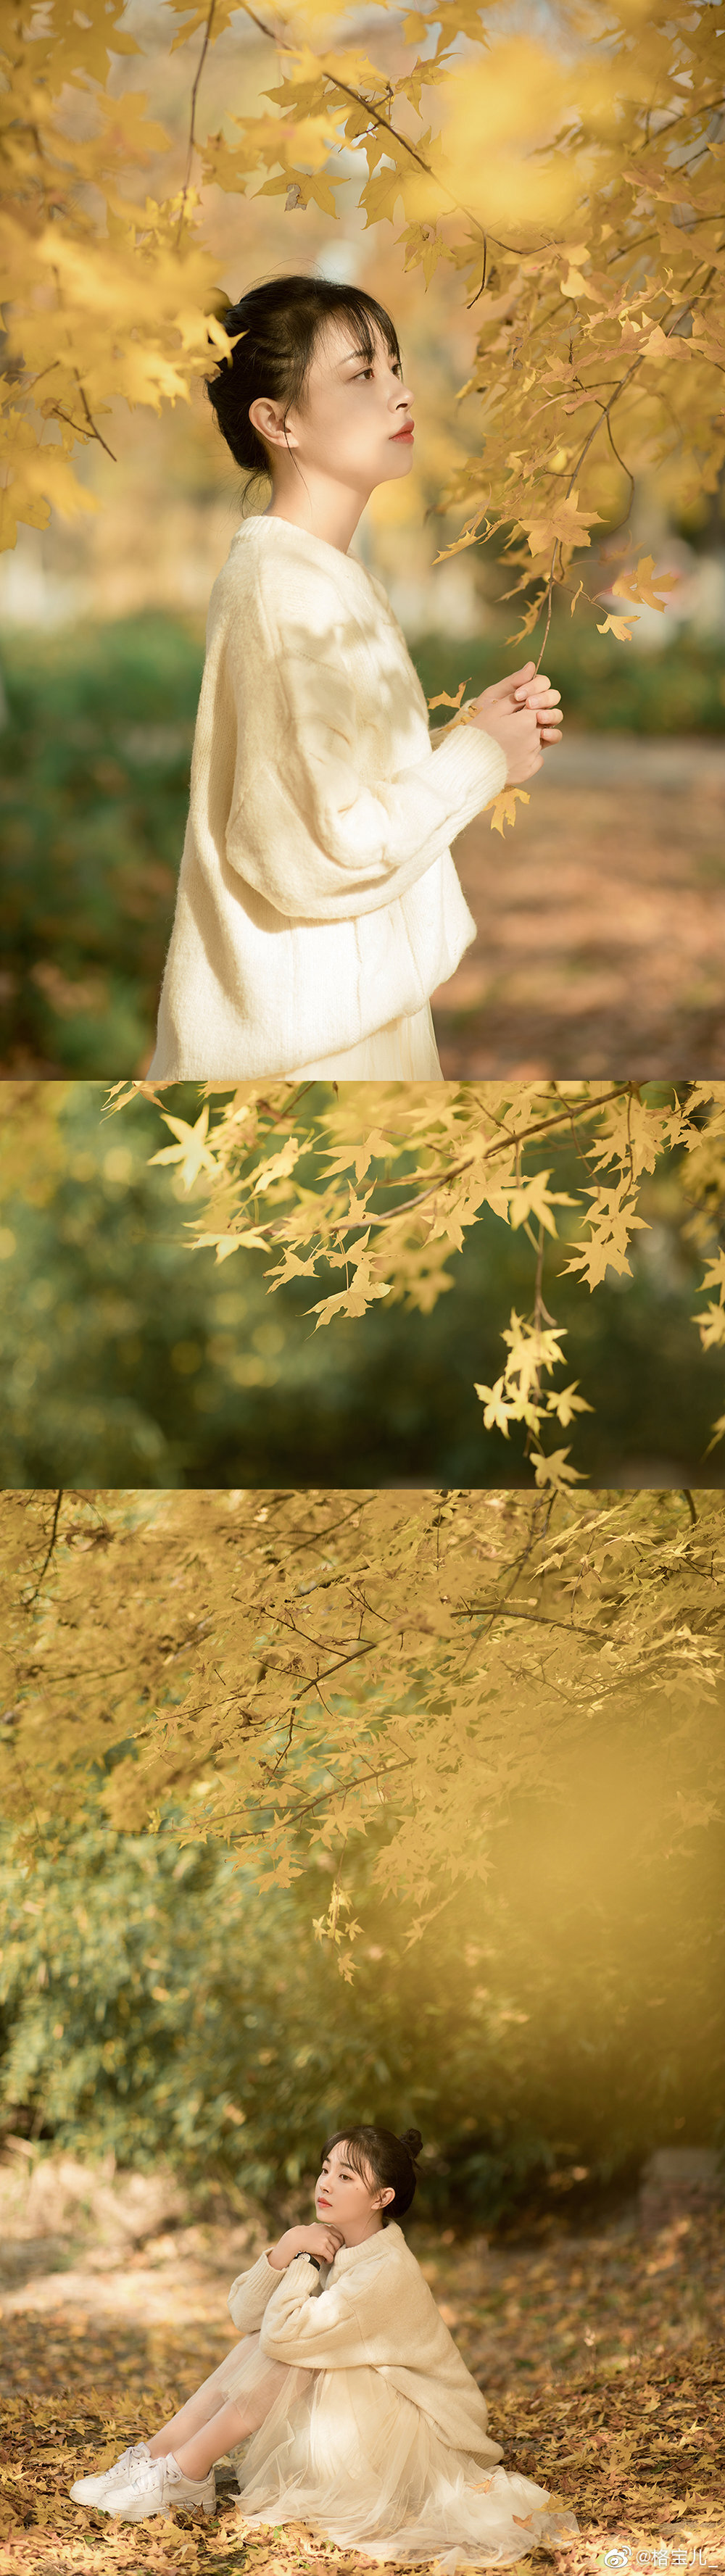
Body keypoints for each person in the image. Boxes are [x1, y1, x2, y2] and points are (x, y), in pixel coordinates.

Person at [146, 272, 563, 1081]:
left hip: (355, 1020)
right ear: (278, 421)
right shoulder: (282, 587)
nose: (400, 394)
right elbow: (314, 848)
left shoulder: (323, 573)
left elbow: (328, 791)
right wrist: (478, 760)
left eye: (396, 366)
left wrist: (471, 735)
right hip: (311, 1052)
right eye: (361, 374)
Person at [70, 2123, 580, 2569]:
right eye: (326, 2168)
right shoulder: (329, 2240)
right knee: (264, 2343)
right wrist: (289, 2247)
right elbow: (246, 2317)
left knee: (291, 2354)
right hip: (364, 2405)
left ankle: (186, 2473)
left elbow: (284, 2336)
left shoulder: (385, 2271)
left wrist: (305, 2258)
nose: (325, 2182)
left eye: (346, 2176)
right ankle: (160, 2457)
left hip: (421, 2427)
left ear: (381, 2198)